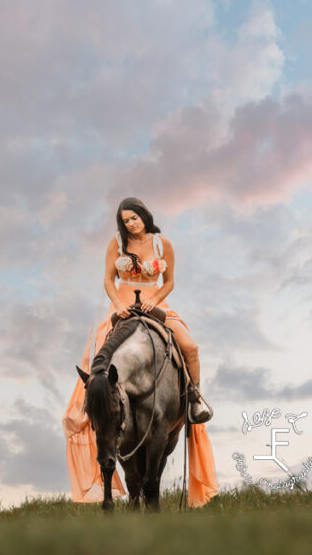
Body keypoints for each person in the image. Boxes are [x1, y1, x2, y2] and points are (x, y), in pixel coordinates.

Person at [62, 197, 219, 507]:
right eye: (125, 220)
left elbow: (170, 280)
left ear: (145, 216)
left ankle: (194, 398)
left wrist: (155, 299)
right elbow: (108, 280)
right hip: (122, 306)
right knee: (99, 353)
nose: (130, 224)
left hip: (156, 305)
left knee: (190, 346)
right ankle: (91, 401)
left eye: (134, 218)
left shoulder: (163, 245)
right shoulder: (116, 243)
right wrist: (118, 307)